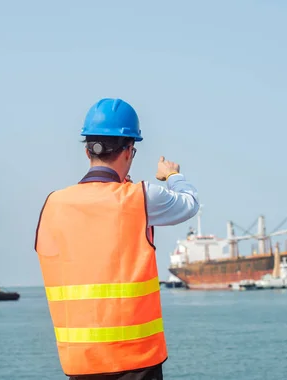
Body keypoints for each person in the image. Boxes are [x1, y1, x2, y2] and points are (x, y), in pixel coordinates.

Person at [34, 98, 200, 380]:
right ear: (129, 151)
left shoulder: (53, 203)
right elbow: (190, 203)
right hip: (136, 362)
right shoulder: (140, 197)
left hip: (81, 363)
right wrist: (173, 175)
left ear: (88, 151)